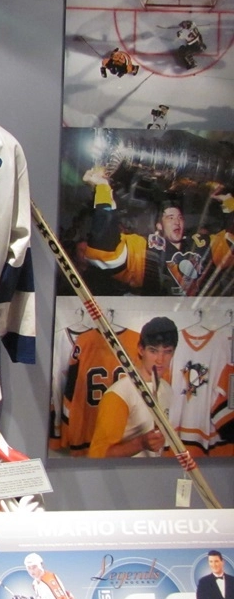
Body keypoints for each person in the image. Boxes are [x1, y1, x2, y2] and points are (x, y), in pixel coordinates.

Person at [82, 166, 234, 296]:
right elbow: (105, 251)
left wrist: (229, 202)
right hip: (162, 316)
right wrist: (103, 188)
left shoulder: (201, 244)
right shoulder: (146, 248)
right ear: (159, 226)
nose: (177, 221)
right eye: (170, 217)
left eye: (180, 218)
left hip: (206, 316)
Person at [88, 317, 176, 459]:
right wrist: (141, 443)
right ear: (141, 349)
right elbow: (97, 456)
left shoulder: (167, 390)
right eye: (153, 351)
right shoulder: (119, 395)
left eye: (167, 352)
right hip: (124, 473)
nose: (160, 360)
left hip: (153, 471)